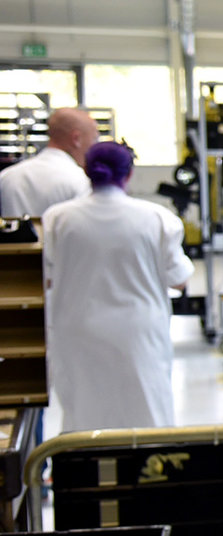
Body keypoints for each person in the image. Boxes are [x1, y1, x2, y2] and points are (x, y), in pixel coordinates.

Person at [41, 141, 193, 432]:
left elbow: (46, 276)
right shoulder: (158, 219)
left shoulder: (56, 218)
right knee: (146, 412)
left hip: (77, 331)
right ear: (129, 173)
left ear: (86, 171)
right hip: (137, 334)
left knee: (84, 415)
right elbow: (179, 279)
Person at [1, 107, 98, 217]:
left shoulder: (7, 177)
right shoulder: (79, 180)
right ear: (76, 139)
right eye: (94, 139)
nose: (94, 146)